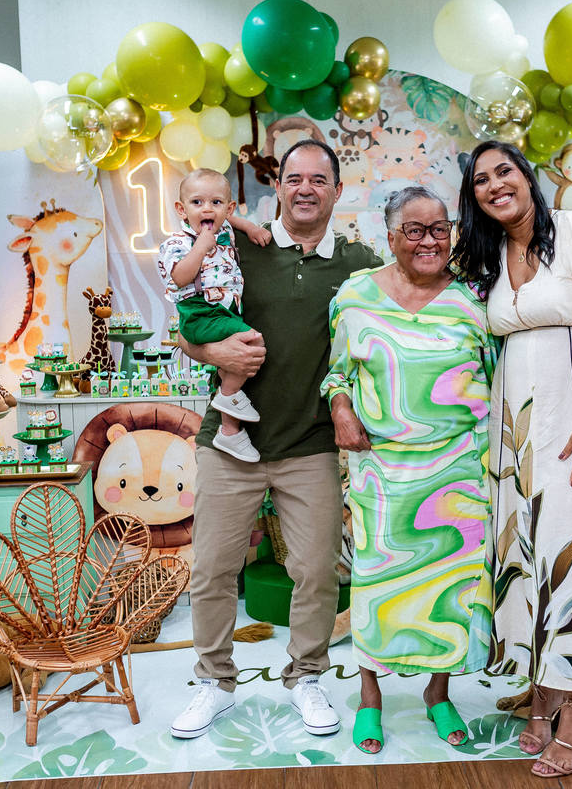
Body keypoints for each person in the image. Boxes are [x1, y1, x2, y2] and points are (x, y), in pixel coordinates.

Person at [169, 140, 383, 740]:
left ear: (337, 190)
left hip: (310, 442)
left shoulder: (359, 263)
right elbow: (183, 324)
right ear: (279, 187)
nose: (305, 189)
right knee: (213, 570)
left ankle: (307, 676)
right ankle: (214, 683)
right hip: (228, 439)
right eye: (294, 178)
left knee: (316, 571)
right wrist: (213, 352)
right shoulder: (235, 246)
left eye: (319, 179)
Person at [452, 140, 572, 779]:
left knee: (569, 549)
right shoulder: (493, 256)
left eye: (504, 171)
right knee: (527, 552)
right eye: (481, 180)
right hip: (516, 436)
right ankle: (544, 691)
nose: (494, 185)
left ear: (526, 176)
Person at [322, 186, 494, 754]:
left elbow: (496, 379)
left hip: (457, 474)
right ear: (391, 236)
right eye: (415, 230)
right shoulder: (355, 296)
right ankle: (370, 697)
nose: (429, 241)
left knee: (450, 590)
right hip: (382, 468)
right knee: (375, 586)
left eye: (439, 229)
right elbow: (337, 372)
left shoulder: (472, 301)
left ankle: (438, 693)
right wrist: (341, 409)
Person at [156, 168, 268, 462]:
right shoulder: (177, 243)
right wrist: (200, 248)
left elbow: (232, 221)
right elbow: (180, 277)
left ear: (228, 209)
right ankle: (228, 397)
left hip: (224, 309)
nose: (207, 209)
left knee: (233, 361)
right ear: (182, 209)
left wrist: (251, 228)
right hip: (199, 312)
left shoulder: (225, 230)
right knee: (252, 341)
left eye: (216, 203)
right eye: (197, 202)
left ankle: (230, 431)